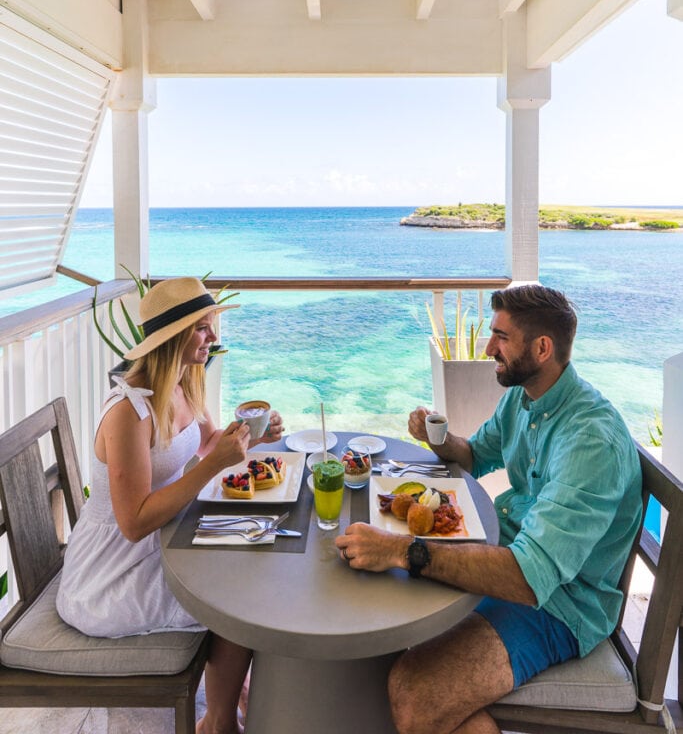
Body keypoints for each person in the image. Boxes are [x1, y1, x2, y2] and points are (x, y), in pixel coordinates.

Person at [335, 285, 642, 734]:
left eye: (501, 337)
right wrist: (437, 439)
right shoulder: (525, 397)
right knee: (373, 607)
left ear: (542, 348)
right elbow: (477, 456)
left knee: (416, 695)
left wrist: (404, 551)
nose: (487, 348)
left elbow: (528, 577)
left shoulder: (589, 440)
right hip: (508, 549)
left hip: (560, 603)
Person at [56, 276, 284, 734]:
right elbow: (133, 523)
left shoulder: (184, 382)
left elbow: (205, 445)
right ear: (173, 337)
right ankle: (219, 723)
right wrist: (211, 466)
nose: (214, 337)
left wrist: (253, 435)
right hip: (113, 573)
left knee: (256, 556)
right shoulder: (127, 412)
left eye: (211, 324)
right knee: (236, 597)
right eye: (202, 328)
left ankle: (229, 697)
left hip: (168, 538)